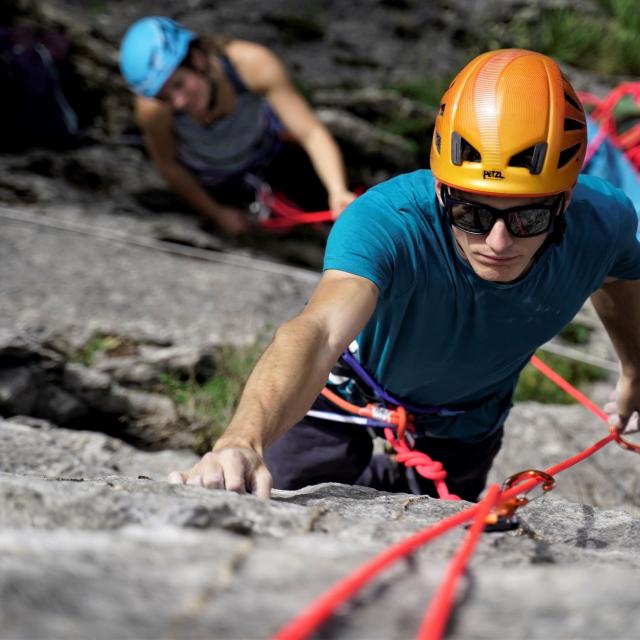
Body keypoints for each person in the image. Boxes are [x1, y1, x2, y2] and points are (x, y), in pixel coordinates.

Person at [168, 49, 640, 501]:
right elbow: (318, 330)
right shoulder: (387, 219)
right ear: (440, 190)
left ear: (565, 200)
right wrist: (242, 439)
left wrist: (635, 370)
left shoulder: (604, 223)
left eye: (528, 220)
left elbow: (620, 276)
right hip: (346, 389)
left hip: (466, 415)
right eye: (472, 214)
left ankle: (378, 481)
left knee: (436, 525)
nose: (498, 242)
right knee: (286, 485)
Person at [119, 16, 355, 236]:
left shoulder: (252, 65)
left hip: (271, 158)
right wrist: (216, 212)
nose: (178, 102)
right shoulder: (153, 110)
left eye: (179, 84)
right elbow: (169, 165)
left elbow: (310, 131)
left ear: (197, 59)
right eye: (164, 97)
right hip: (218, 184)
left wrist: (337, 190)